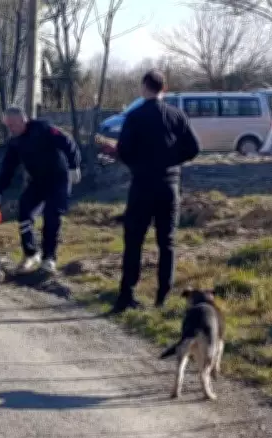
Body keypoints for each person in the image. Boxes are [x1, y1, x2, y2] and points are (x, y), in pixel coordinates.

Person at [110, 69, 201, 314]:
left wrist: (137, 165)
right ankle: (162, 296)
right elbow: (193, 148)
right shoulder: (177, 115)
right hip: (169, 184)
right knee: (167, 241)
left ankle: (126, 294)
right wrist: (173, 161)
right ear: (165, 89)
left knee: (134, 240)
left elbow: (124, 150)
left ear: (144, 88)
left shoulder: (135, 116)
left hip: (142, 183)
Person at [0, 107, 82, 275]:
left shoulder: (43, 128)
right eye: (7, 126)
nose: (10, 129)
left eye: (12, 125)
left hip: (59, 178)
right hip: (38, 181)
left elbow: (67, 142)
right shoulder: (15, 142)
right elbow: (8, 168)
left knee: (51, 216)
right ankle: (31, 254)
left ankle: (49, 258)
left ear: (22, 120)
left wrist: (74, 166)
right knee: (25, 210)